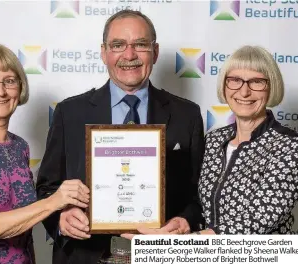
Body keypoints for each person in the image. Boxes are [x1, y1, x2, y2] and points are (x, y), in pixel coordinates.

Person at [36, 10, 205, 264]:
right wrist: (60, 218)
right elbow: (47, 188)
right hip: (85, 255)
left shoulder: (187, 114)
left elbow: (199, 194)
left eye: (140, 44)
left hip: (159, 255)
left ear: (155, 52)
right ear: (104, 52)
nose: (129, 55)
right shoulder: (69, 112)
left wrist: (186, 221)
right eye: (118, 45)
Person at [128, 45, 298, 236]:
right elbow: (202, 204)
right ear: (224, 85)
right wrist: (184, 221)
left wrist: (176, 244)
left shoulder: (291, 147)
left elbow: (257, 221)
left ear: (271, 87)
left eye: (256, 82)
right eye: (235, 80)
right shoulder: (214, 140)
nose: (244, 92)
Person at [0, 44, 90, 263]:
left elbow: (25, 229)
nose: (0, 91)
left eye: (9, 81)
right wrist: (55, 201)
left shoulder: (19, 147)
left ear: (20, 88)